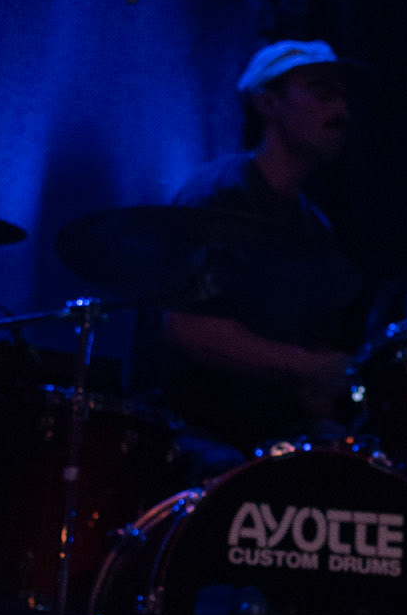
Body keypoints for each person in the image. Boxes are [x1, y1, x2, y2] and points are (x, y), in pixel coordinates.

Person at [135, 40, 359, 462]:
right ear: (267, 104)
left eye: (344, 98)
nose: (341, 112)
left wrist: (328, 425)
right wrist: (307, 366)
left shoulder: (315, 227)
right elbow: (188, 328)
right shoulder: (217, 195)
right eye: (323, 93)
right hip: (188, 434)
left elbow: (310, 356)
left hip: (267, 438)